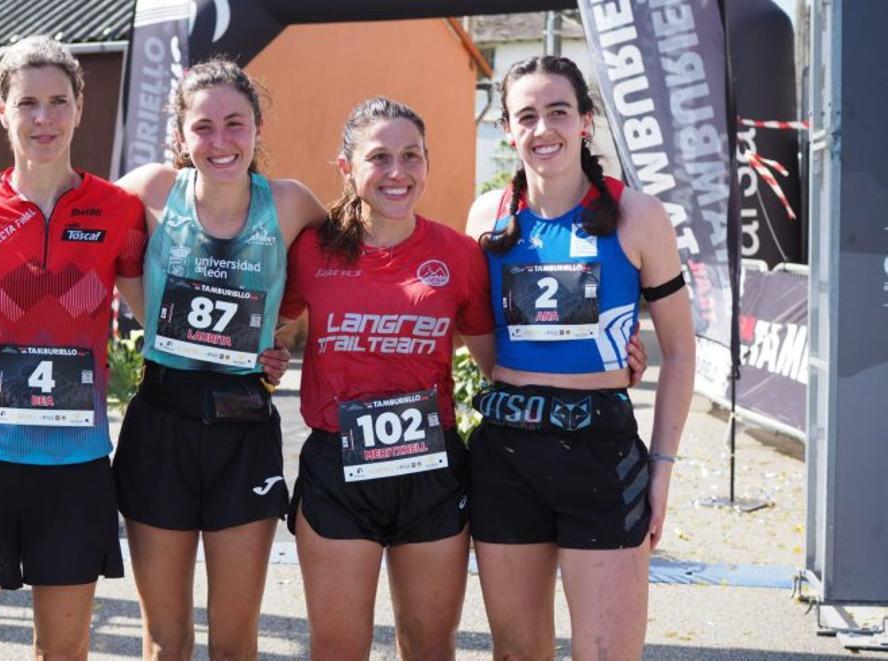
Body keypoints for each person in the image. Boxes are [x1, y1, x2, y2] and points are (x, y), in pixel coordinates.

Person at [0, 57, 318, 660]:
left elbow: (343, 260)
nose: (220, 140)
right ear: (181, 136)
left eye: (235, 123)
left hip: (221, 428)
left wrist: (279, 330)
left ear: (259, 127)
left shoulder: (282, 203)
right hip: (116, 425)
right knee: (164, 640)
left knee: (228, 642)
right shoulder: (138, 193)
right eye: (203, 126)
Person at [0, 36, 147, 660]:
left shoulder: (118, 209)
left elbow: (155, 313)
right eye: (28, 103)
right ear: (3, 112)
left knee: (62, 653)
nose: (44, 118)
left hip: (76, 464)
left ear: (80, 108)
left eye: (58, 101)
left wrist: (252, 349)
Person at [465, 56, 694, 660]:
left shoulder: (638, 216)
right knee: (517, 654)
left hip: (601, 454)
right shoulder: (486, 217)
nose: (544, 129)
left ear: (586, 122)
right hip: (505, 453)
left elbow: (680, 350)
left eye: (559, 112)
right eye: (527, 116)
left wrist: (664, 470)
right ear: (509, 130)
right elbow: (483, 344)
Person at [277, 97, 497, 659]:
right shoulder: (310, 251)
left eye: (411, 156)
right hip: (338, 469)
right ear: (347, 167)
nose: (397, 172)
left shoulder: (460, 255)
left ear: (426, 163)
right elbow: (262, 331)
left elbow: (498, 362)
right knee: (338, 647)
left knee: (428, 645)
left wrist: (610, 364)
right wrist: (262, 361)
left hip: (432, 470)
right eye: (379, 157)